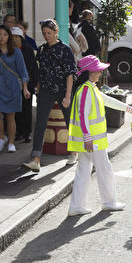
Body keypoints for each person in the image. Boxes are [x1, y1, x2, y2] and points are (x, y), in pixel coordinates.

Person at [66, 55, 132, 216]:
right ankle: (108, 201)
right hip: (92, 141)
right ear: (90, 72)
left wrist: (129, 109)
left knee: (84, 170)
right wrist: (87, 137)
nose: (101, 73)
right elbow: (82, 115)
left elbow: (107, 100)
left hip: (89, 140)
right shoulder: (86, 89)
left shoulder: (89, 88)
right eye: (98, 71)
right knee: (104, 168)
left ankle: (76, 206)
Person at [23, 19, 77, 172]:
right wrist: (38, 88)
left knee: (69, 121)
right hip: (45, 91)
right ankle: (36, 160)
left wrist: (67, 96)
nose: (47, 36)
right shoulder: (41, 50)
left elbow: (69, 74)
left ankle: (74, 152)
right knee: (40, 124)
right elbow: (39, 71)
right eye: (44, 33)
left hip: (62, 90)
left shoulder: (65, 49)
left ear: (56, 32)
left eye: (49, 33)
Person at [0, 25, 30, 152]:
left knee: (10, 117)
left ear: (9, 37)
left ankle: (11, 143)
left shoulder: (16, 52)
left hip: (12, 87)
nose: (2, 37)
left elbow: (23, 72)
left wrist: (25, 88)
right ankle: (2, 137)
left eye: (5, 35)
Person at [12, 27, 38, 143]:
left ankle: (28, 133)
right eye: (12, 37)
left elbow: (33, 66)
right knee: (16, 109)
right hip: (12, 84)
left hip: (27, 83)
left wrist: (36, 83)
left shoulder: (27, 49)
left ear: (21, 38)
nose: (14, 39)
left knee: (26, 108)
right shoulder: (8, 50)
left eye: (16, 37)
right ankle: (20, 131)